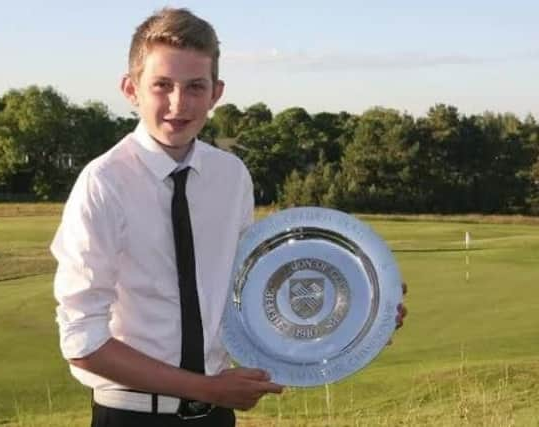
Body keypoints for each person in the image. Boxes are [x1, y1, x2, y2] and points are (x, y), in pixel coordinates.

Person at [51, 6, 407, 427]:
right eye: (161, 85)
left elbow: (247, 297)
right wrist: (205, 388)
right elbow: (82, 341)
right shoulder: (103, 184)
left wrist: (362, 317)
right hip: (131, 416)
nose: (178, 104)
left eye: (195, 87)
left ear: (217, 92)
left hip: (216, 418)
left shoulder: (231, 176)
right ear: (131, 89)